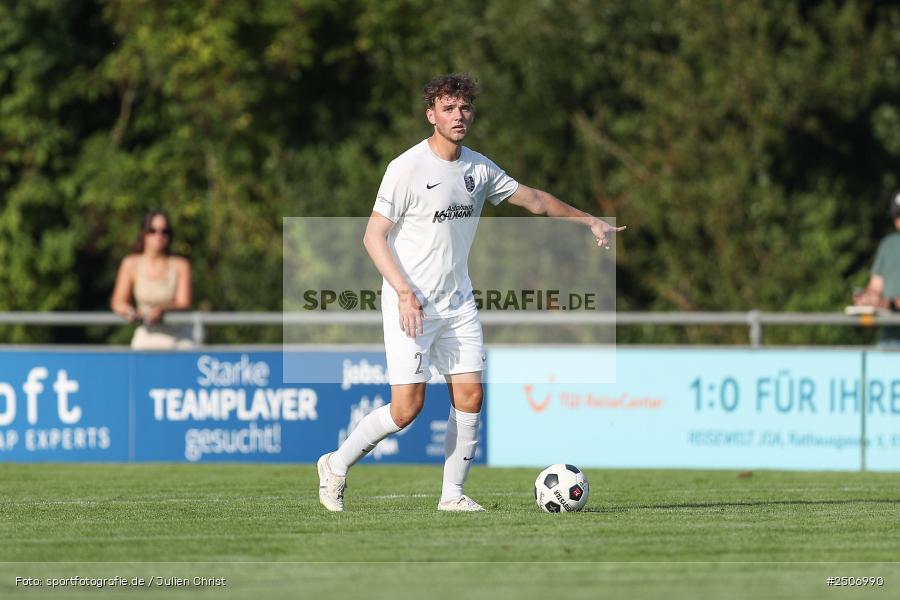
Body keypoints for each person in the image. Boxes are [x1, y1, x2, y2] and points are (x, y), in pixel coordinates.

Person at [317, 73, 625, 512]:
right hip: (412, 304)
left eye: (464, 108)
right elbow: (372, 237)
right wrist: (404, 293)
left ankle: (453, 496)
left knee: (472, 396)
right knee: (406, 410)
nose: (458, 115)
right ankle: (335, 464)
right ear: (431, 115)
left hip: (458, 303)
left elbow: (535, 200)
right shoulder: (405, 168)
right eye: (448, 108)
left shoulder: (479, 168)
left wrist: (589, 220)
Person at [111, 210, 194, 349]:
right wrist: (131, 312)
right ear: (143, 233)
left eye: (164, 231)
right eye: (152, 230)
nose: (159, 236)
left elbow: (184, 303)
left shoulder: (181, 265)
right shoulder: (130, 264)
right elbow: (118, 302)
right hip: (147, 335)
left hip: (178, 339)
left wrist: (162, 310)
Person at [854, 189, 900, 346]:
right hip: (890, 336)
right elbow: (875, 286)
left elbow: (892, 303)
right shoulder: (888, 244)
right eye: (897, 216)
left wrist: (893, 304)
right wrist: (867, 299)